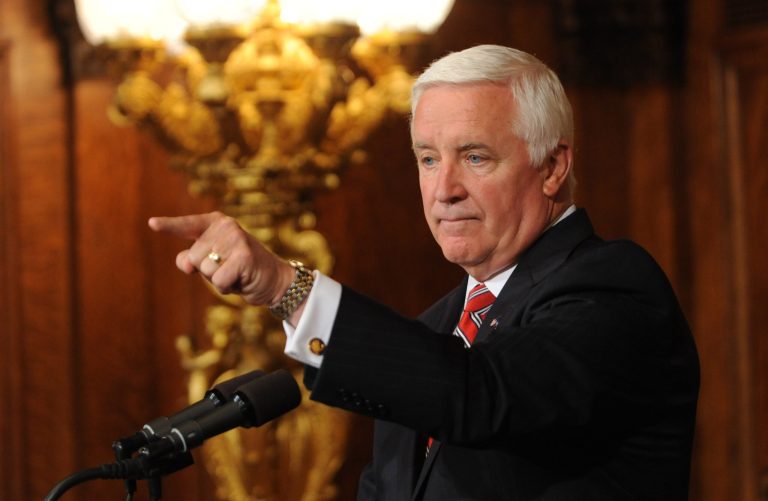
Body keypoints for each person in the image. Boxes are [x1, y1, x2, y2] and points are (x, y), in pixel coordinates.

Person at [149, 45, 699, 500]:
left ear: (552, 167)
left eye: (476, 157)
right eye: (428, 159)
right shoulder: (435, 332)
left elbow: (482, 394)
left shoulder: (614, 289)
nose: (444, 190)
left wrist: (284, 287)